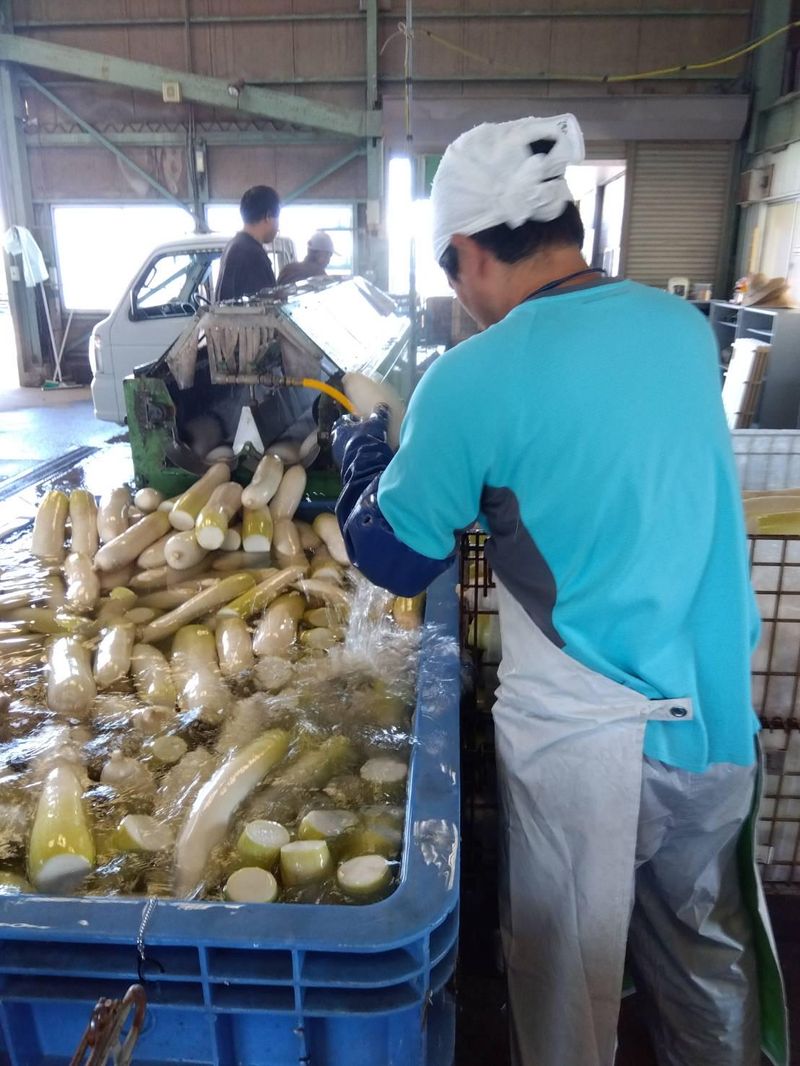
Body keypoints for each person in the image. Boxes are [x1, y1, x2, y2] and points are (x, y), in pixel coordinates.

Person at [331, 115, 788, 1066]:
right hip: (712, 719)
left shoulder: (475, 375)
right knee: (704, 956)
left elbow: (395, 557)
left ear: (466, 252)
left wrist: (363, 455)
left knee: (567, 990)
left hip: (590, 748)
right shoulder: (680, 329)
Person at [214, 185, 280, 301]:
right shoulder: (252, 255)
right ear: (268, 216)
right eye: (278, 218)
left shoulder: (234, 245)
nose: (278, 226)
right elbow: (264, 308)